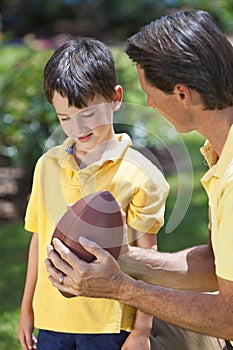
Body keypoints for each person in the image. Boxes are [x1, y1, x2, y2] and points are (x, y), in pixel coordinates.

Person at [45, 9, 233, 350]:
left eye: (149, 92)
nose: (146, 103)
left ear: (182, 94)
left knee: (134, 324)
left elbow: (230, 317)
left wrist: (121, 287)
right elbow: (217, 266)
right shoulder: (221, 152)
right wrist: (125, 260)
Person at [18, 37, 169, 350]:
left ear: (115, 98)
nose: (77, 129)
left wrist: (141, 331)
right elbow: (39, 238)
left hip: (109, 324)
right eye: (64, 118)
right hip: (52, 320)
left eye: (87, 114)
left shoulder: (139, 174)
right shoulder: (48, 164)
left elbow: (148, 259)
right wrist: (27, 308)